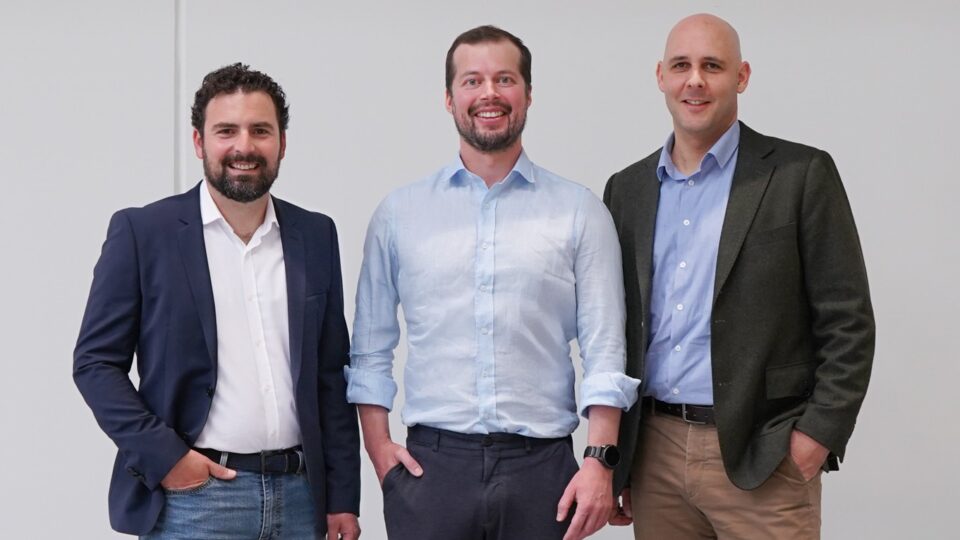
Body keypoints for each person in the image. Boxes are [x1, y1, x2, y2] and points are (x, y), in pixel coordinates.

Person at [345, 25, 639, 540]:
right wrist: (379, 449)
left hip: (542, 472)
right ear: (449, 98)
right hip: (431, 472)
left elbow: (605, 349)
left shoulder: (579, 211)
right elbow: (370, 348)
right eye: (472, 80)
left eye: (505, 79)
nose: (489, 93)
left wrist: (599, 460)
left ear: (528, 94)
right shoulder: (399, 214)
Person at [603, 14, 875, 539]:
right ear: (660, 76)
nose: (695, 80)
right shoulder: (627, 189)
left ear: (741, 76)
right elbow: (618, 329)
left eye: (712, 66)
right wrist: (620, 456)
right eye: (681, 66)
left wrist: (816, 435)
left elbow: (849, 320)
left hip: (763, 455)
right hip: (655, 454)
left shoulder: (799, 174)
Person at [73, 63, 361, 539]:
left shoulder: (315, 234)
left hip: (302, 499)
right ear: (199, 142)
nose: (244, 147)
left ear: (282, 143)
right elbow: (95, 363)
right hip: (195, 502)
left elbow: (331, 374)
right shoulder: (144, 233)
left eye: (260, 131)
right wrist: (168, 459)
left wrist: (342, 498)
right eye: (226, 131)